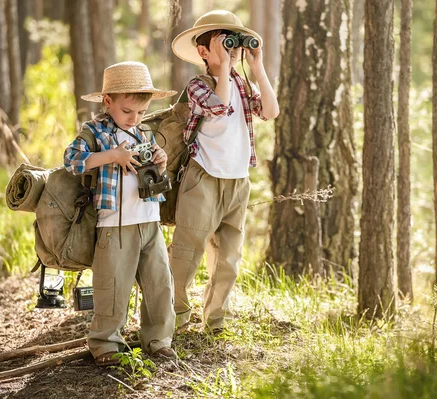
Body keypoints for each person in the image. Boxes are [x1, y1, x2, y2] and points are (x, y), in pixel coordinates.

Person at [170, 10, 280, 333]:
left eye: (231, 44)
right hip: (203, 179)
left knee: (228, 259)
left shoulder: (241, 85)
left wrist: (257, 68)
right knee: (186, 254)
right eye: (221, 44)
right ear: (203, 52)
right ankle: (174, 319)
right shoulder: (198, 86)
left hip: (237, 182)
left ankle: (215, 320)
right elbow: (219, 105)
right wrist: (224, 69)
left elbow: (271, 110)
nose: (229, 51)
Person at [64, 61, 178, 366]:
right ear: (108, 101)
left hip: (148, 218)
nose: (134, 118)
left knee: (159, 283)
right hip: (114, 222)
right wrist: (112, 155)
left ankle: (158, 339)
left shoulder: (144, 132)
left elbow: (153, 168)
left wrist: (161, 159)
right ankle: (105, 343)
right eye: (127, 111)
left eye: (141, 113)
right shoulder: (94, 131)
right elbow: (71, 160)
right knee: (112, 284)